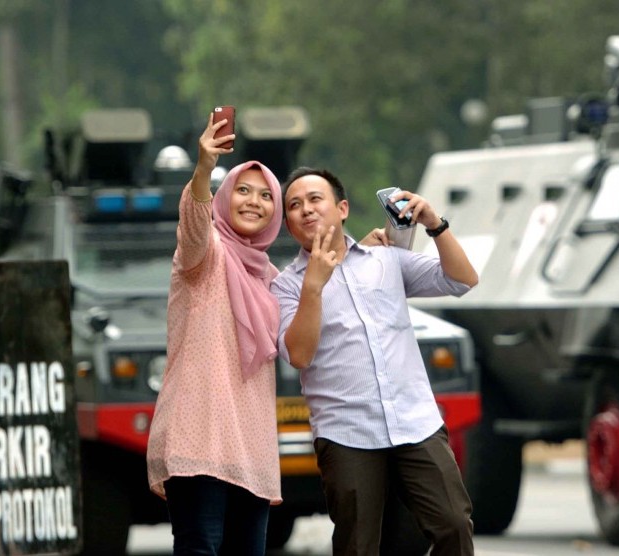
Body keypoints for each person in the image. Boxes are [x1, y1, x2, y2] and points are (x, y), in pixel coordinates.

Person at [270, 167, 479, 555]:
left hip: (415, 421)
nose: (306, 210)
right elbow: (298, 355)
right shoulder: (284, 286)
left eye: (315, 199)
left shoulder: (386, 260)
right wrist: (313, 286)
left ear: (343, 207)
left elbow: (463, 279)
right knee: (358, 545)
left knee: (452, 524)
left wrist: (435, 224)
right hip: (346, 431)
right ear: (288, 225)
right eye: (294, 206)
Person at [146, 112, 283, 555]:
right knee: (199, 548)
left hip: (252, 446)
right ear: (225, 199)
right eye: (242, 190)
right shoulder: (205, 257)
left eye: (266, 196)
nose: (254, 201)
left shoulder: (269, 277)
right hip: (199, 438)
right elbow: (193, 224)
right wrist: (204, 167)